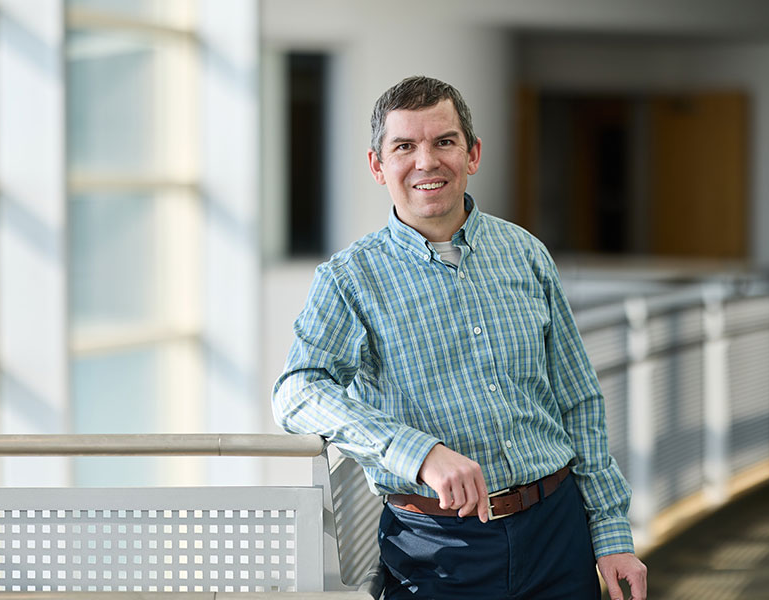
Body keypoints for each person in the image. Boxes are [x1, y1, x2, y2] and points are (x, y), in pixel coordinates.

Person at [273, 75, 647, 599]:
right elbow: (296, 391)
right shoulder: (349, 280)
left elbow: (578, 400)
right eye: (405, 146)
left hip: (557, 533)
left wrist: (610, 532)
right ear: (378, 166)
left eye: (443, 142)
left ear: (471, 154)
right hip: (436, 548)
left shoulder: (525, 253)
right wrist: (418, 453)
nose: (426, 162)